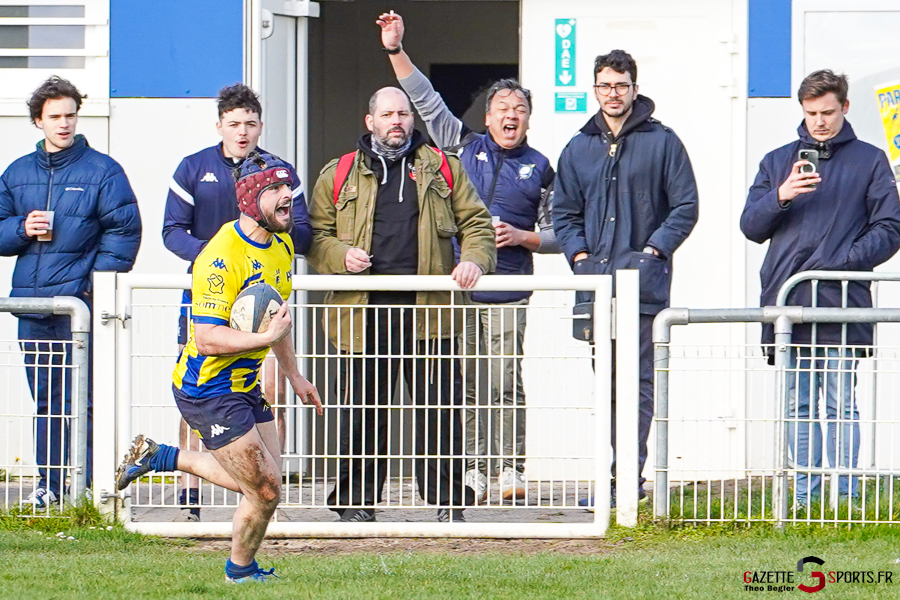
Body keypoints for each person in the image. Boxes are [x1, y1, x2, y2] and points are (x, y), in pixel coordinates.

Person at [377, 11, 558, 503]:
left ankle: (511, 470)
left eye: (519, 107)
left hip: (511, 290)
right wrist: (396, 50)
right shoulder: (464, 147)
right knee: (469, 385)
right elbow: (424, 101)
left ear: (527, 118)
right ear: (487, 116)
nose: (510, 115)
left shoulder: (541, 167)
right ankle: (474, 470)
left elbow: (560, 232)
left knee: (504, 382)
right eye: (502, 106)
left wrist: (522, 237)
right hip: (460, 288)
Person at [116, 151, 322, 583]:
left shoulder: (282, 246)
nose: (289, 197)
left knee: (268, 484)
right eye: (277, 190)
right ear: (250, 198)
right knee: (263, 489)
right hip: (206, 389)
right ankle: (239, 572)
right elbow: (208, 339)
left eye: (290, 188)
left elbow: (276, 321)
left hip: (244, 383)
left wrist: (294, 374)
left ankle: (161, 456)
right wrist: (264, 341)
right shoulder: (220, 256)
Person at [307, 86, 496, 522]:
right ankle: (356, 505)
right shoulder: (339, 174)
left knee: (440, 412)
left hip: (430, 314)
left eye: (404, 114)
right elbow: (314, 236)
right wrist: (340, 255)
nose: (398, 121)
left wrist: (472, 261)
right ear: (369, 121)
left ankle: (449, 502)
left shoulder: (443, 168)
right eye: (388, 114)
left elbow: (478, 225)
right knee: (362, 413)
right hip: (360, 315)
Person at [741, 70, 900, 508]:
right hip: (787, 303)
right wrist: (782, 194)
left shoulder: (870, 161)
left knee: (840, 404)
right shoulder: (778, 161)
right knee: (798, 405)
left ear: (845, 108)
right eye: (811, 113)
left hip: (841, 302)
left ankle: (847, 500)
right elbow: (750, 226)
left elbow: (890, 228)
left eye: (827, 112)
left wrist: (840, 264)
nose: (819, 122)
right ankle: (805, 500)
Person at [552, 50, 699, 508]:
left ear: (635, 88)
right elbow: (564, 212)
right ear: (594, 90)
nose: (612, 94)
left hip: (644, 289)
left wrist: (653, 252)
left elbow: (685, 207)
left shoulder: (663, 142)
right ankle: (609, 482)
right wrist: (579, 256)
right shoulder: (577, 148)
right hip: (595, 288)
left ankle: (628, 484)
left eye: (620, 85)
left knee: (636, 387)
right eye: (604, 86)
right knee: (607, 385)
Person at [162, 83, 313, 520]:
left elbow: (301, 231)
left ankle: (268, 495)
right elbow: (172, 231)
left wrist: (256, 257)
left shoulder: (278, 174)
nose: (242, 131)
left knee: (269, 391)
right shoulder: (194, 168)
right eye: (234, 124)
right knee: (199, 382)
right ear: (220, 126)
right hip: (210, 295)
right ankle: (189, 498)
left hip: (260, 299)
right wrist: (217, 261)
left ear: (260, 126)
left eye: (250, 123)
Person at [0, 76, 142, 508]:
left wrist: (87, 287)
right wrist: (21, 228)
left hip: (80, 308)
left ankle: (88, 485)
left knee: (85, 398)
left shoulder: (103, 170)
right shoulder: (17, 172)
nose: (64, 124)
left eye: (70, 115)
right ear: (38, 121)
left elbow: (125, 232)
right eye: (55, 116)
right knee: (46, 399)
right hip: (33, 306)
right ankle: (50, 484)